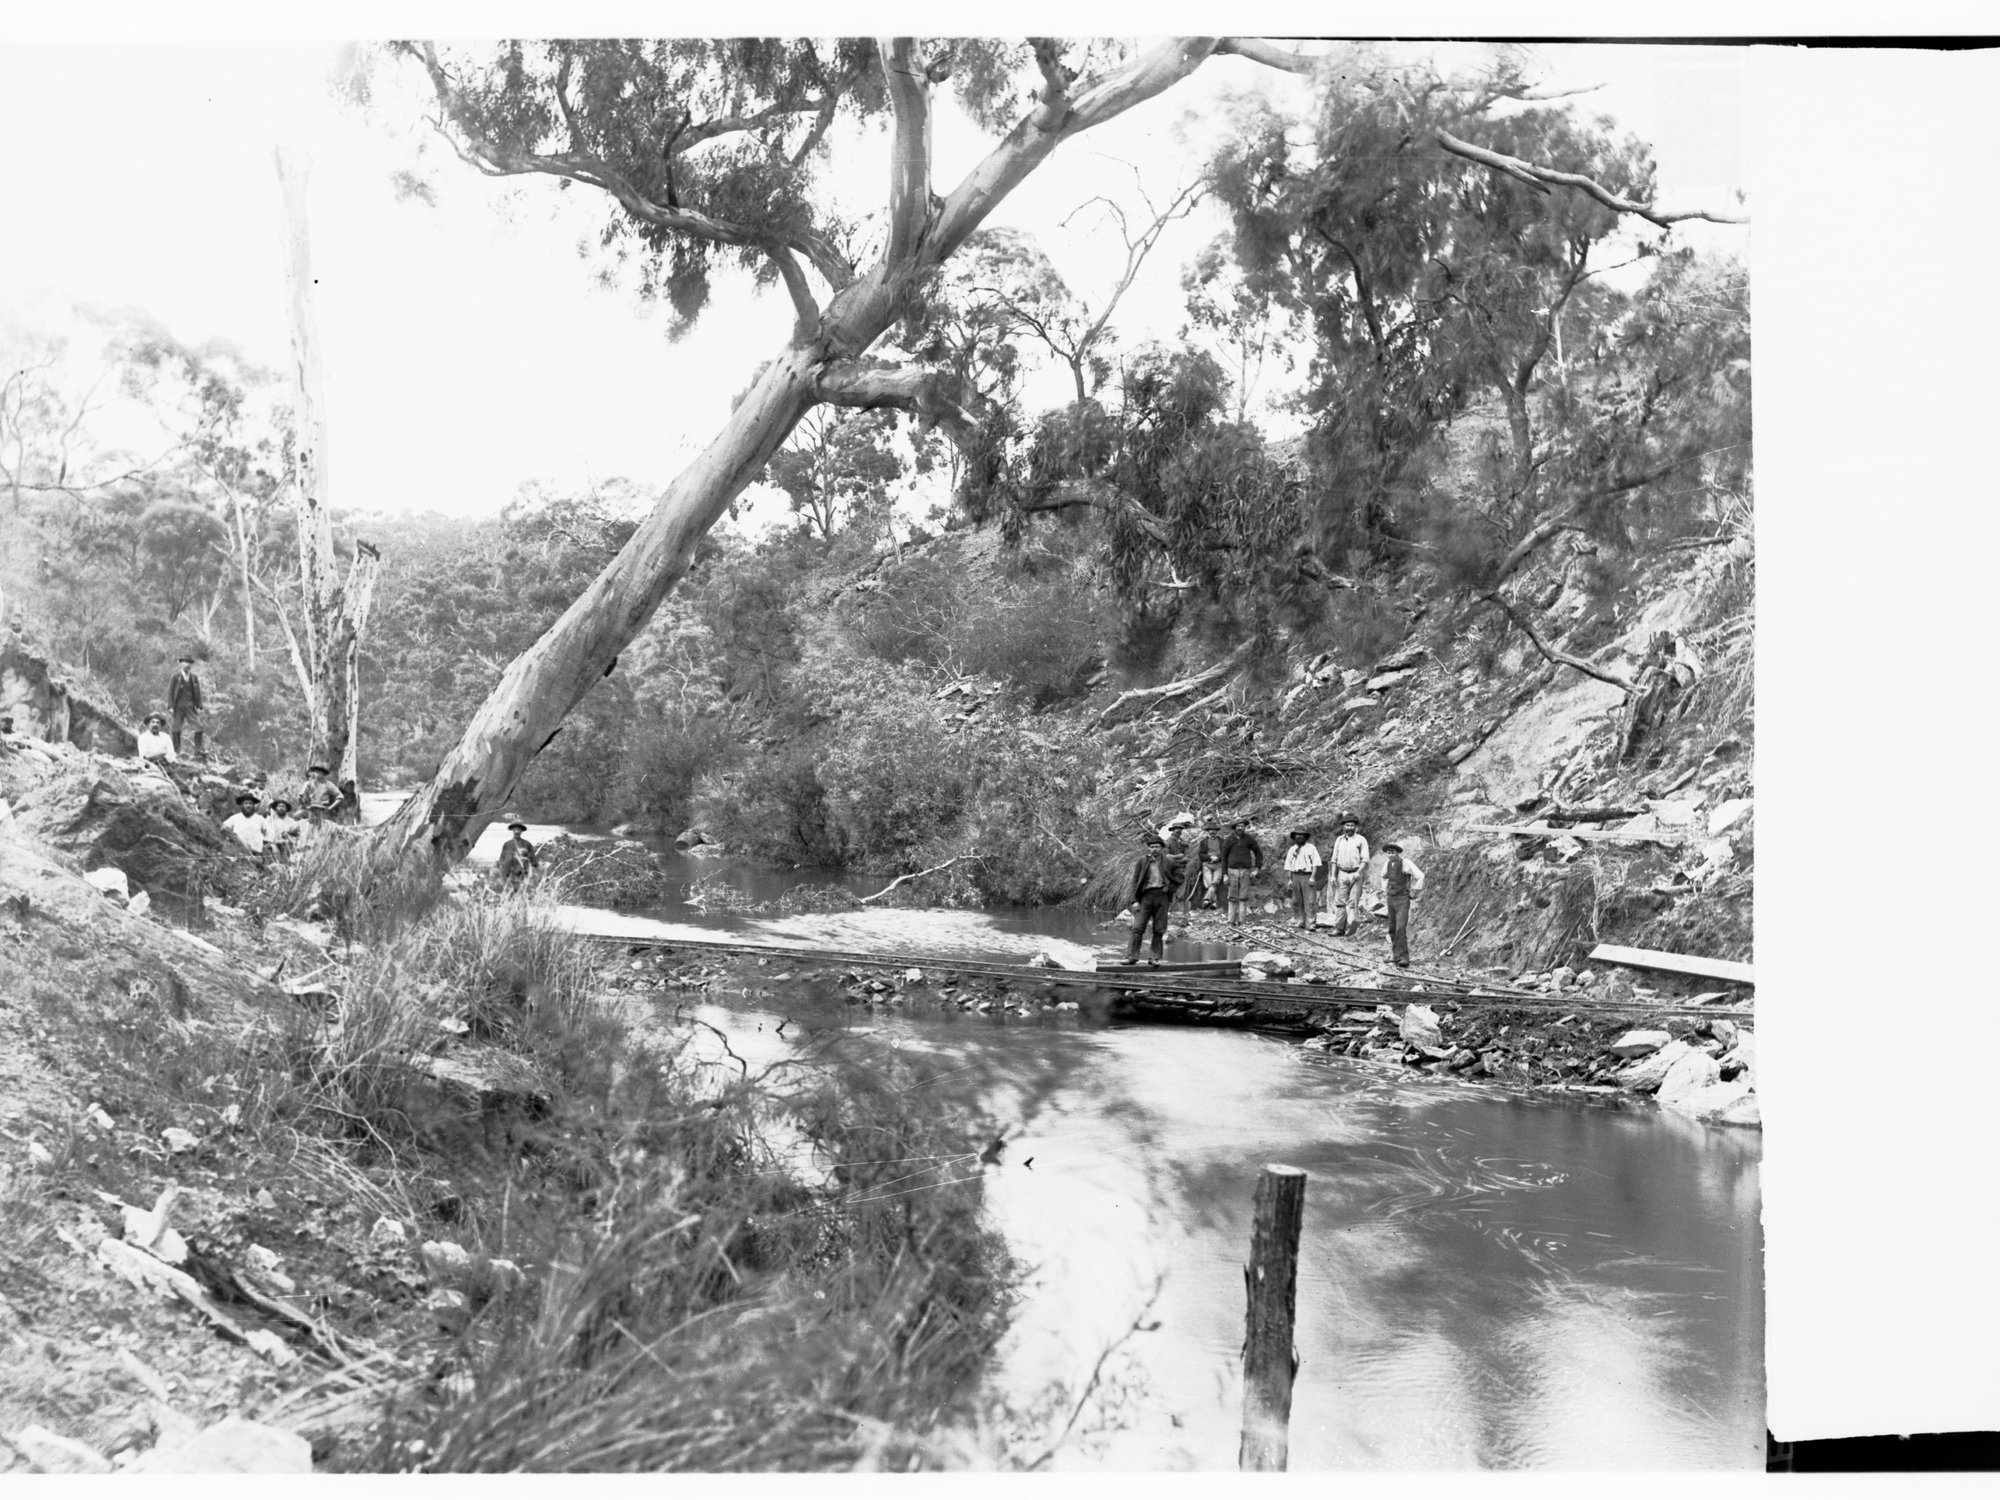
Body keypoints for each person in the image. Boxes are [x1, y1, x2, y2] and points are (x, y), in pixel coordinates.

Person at [1120, 831, 1183, 966]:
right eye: (1152, 847)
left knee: (1159, 929)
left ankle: (1154, 958)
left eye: (1157, 847)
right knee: (1138, 927)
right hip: (1146, 897)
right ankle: (1131, 957)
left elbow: (1180, 877)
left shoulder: (1169, 861)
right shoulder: (1142, 862)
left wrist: (1169, 888)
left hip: (1162, 897)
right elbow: (1135, 881)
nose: (1155, 849)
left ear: (1162, 848)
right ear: (1148, 848)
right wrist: (1134, 900)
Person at [1380, 837, 1427, 968]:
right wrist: (1385, 889)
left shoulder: (1405, 863)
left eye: (1393, 852)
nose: (1390, 855)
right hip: (1390, 899)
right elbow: (1383, 877)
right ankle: (1396, 956)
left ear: (1397, 853)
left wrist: (1414, 890)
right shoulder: (1387, 864)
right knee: (1392, 928)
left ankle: (1404, 957)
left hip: (1402, 899)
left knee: (1400, 928)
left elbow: (1420, 876)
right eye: (1388, 853)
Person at [1326, 813, 1371, 937]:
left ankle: (1351, 928)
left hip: (1355, 873)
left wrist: (1358, 872)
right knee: (1340, 901)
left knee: (1353, 902)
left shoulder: (1361, 840)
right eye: (1347, 825)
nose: (1349, 828)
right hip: (1341, 873)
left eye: (1352, 825)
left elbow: (1365, 859)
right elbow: (1334, 859)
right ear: (1344, 827)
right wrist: (1333, 876)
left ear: (1355, 827)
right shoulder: (1339, 840)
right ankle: (1339, 928)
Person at [1219, 818, 1263, 930]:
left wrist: (1257, 868)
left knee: (1243, 896)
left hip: (1245, 871)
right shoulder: (1229, 840)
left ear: (1244, 827)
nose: (1240, 828)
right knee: (1232, 896)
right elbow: (1223, 858)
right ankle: (1231, 921)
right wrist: (1224, 874)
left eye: (1242, 826)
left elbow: (1258, 853)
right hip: (1232, 871)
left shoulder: (1249, 839)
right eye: (1238, 826)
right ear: (1234, 828)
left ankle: (1242, 921)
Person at [1180, 818, 1228, 911]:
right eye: (1211, 830)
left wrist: (1218, 858)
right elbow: (1201, 855)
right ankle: (1214, 902)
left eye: (1214, 830)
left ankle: (1206, 899)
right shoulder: (1203, 842)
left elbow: (1225, 854)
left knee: (1215, 882)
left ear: (1217, 831)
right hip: (1207, 865)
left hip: (1218, 865)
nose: (1212, 832)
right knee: (1209, 884)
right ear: (1208, 831)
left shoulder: (1222, 841)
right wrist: (1210, 857)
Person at [1282, 826, 1322, 931]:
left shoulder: (1311, 848)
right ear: (1294, 837)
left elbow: (1316, 864)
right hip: (1295, 875)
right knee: (1296, 901)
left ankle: (1311, 923)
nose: (1299, 837)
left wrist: (1312, 877)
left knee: (1310, 901)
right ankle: (1300, 921)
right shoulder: (1292, 849)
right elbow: (1289, 866)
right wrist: (1290, 879)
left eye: (1301, 835)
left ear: (1305, 836)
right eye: (1297, 835)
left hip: (1307, 875)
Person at [166, 655, 205, 759]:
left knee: (198, 727)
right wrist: (170, 706)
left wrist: (199, 705)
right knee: (176, 728)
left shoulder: (194, 677)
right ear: (181, 664)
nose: (188, 665)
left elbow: (198, 692)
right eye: (185, 663)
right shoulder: (175, 677)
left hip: (190, 705)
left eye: (189, 664)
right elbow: (170, 692)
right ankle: (176, 752)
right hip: (178, 706)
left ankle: (198, 752)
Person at [497, 821, 539, 886]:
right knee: (508, 885)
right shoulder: (507, 844)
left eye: (519, 830)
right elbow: (502, 858)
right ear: (512, 831)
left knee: (522, 885)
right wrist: (500, 865)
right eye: (515, 829)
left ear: (521, 831)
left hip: (522, 870)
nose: (516, 831)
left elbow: (532, 858)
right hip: (509, 870)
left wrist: (534, 865)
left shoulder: (527, 844)